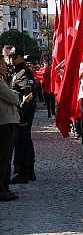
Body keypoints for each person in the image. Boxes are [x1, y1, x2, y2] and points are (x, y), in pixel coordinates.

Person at [9, 48, 36, 184]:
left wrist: (21, 112)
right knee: (25, 140)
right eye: (11, 56)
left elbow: (28, 94)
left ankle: (23, 172)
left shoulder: (23, 72)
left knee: (22, 141)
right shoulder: (17, 71)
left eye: (14, 57)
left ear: (20, 57)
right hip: (21, 110)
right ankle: (29, 170)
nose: (11, 59)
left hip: (23, 111)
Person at [0, 57, 20, 201]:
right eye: (2, 64)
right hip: (5, 123)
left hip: (7, 121)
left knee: (6, 158)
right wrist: (15, 94)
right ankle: (2, 189)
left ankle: (5, 188)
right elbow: (14, 99)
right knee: (4, 158)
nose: (5, 66)